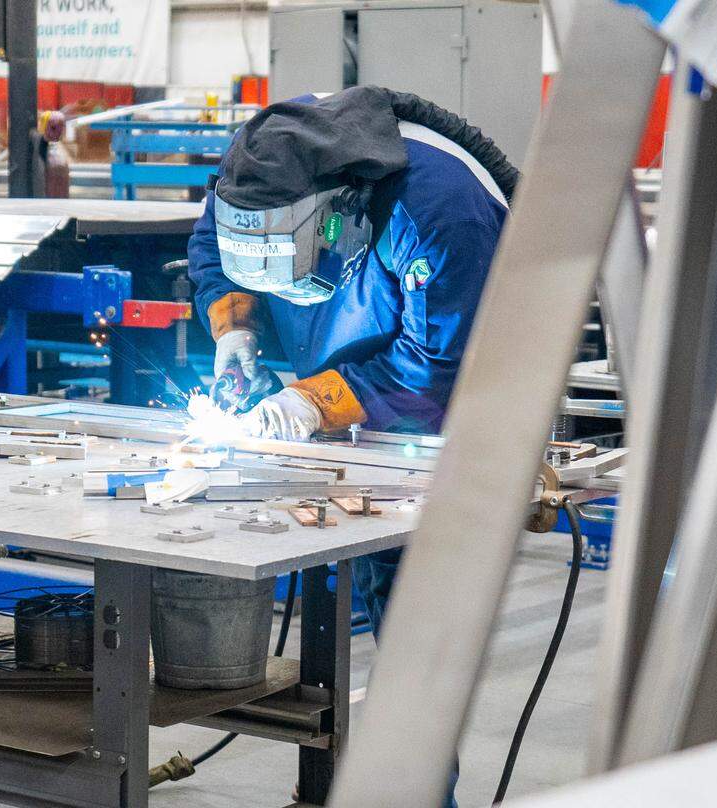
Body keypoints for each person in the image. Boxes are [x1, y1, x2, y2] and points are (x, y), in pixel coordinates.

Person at [187, 86, 519, 807]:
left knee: (411, 635)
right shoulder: (257, 170)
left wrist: (313, 401)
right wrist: (235, 327)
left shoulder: (442, 213)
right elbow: (212, 246)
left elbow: (436, 364)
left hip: (442, 421)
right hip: (348, 410)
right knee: (345, 589)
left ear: (339, 216)